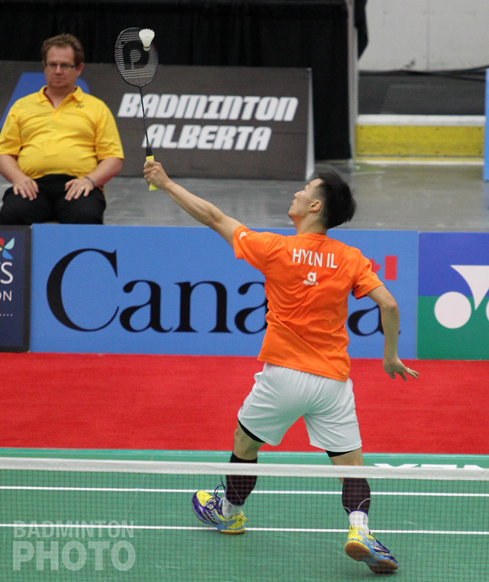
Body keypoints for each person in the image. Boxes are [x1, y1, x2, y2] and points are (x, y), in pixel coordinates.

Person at [144, 159, 419, 574]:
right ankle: (360, 529)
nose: (296, 193)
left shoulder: (275, 248)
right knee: (350, 467)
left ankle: (229, 512)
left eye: (305, 189)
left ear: (315, 206)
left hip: (283, 375)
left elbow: (214, 217)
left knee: (245, 443)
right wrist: (390, 356)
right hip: (332, 382)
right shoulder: (350, 258)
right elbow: (390, 304)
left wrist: (165, 183)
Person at [0, 33, 124, 225]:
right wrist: (18, 178)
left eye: (65, 65)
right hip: (32, 185)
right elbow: (4, 153)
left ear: (79, 68)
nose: (57, 71)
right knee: (12, 213)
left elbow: (113, 158)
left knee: (85, 215)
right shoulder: (21, 106)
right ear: (44, 66)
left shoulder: (97, 108)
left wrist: (89, 181)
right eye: (52, 64)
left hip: (78, 186)